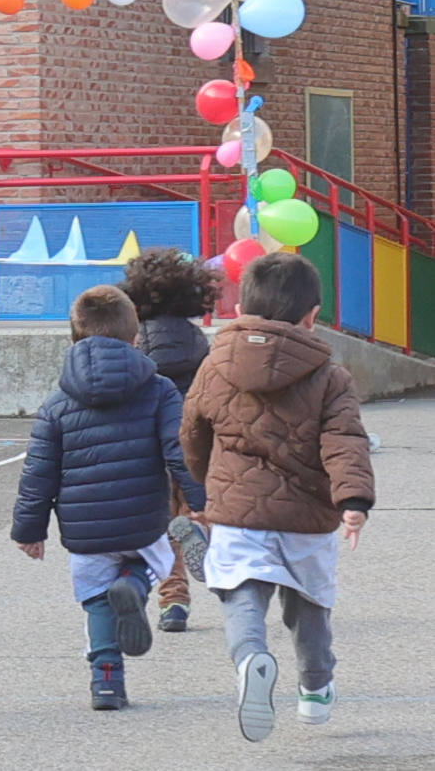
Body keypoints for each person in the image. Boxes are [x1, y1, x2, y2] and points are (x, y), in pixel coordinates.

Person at [179, 252, 375, 742]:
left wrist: (209, 486)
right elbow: (344, 441)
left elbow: (192, 434)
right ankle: (315, 690)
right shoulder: (331, 377)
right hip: (307, 517)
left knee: (242, 593)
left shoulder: (214, 366)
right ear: (312, 315)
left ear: (243, 304)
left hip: (237, 513)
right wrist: (352, 501)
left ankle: (251, 659)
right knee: (309, 605)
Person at [10, 285, 206, 711]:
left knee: (97, 598)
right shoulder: (159, 391)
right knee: (149, 561)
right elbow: (179, 450)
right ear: (134, 338)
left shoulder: (57, 404)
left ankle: (106, 682)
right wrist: (200, 500)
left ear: (75, 339)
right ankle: (134, 589)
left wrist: (29, 530)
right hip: (142, 518)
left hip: (84, 529)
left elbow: (37, 472)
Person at [119, 247, 220, 633]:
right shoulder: (196, 340)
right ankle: (205, 540)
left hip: (150, 444)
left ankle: (174, 601)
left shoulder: (137, 339)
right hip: (191, 442)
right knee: (191, 509)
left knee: (160, 525)